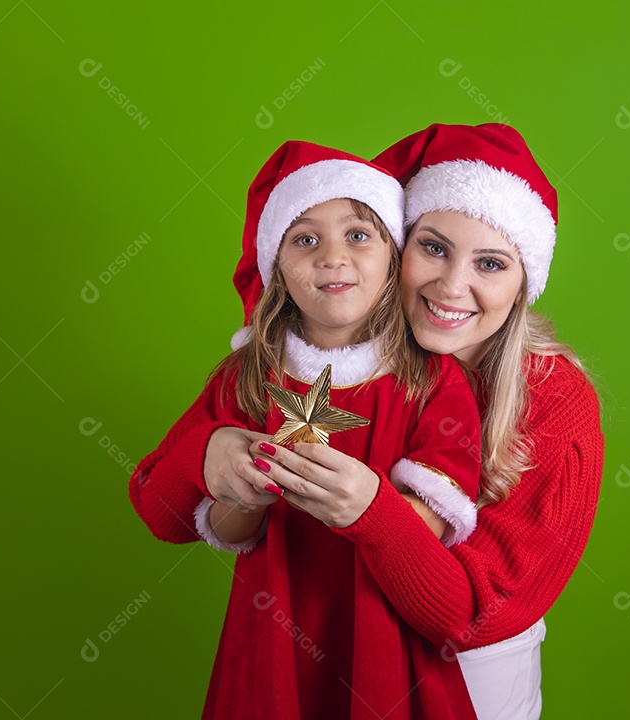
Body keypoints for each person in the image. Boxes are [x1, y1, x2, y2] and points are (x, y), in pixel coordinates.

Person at [242, 124, 605, 719]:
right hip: (332, 653)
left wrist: (373, 512)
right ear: (392, 248)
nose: (451, 285)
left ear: (523, 286)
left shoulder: (553, 399)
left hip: (472, 680)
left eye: (491, 263)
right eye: (433, 248)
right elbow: (181, 503)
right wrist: (221, 453)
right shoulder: (329, 361)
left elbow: (477, 616)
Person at [128, 140, 482, 719]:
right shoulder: (247, 377)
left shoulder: (433, 382)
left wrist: (368, 510)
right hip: (272, 631)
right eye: (305, 239)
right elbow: (193, 521)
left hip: (384, 632)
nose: (332, 258)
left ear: (396, 257)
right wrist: (237, 486)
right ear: (278, 268)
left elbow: (431, 528)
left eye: (358, 235)